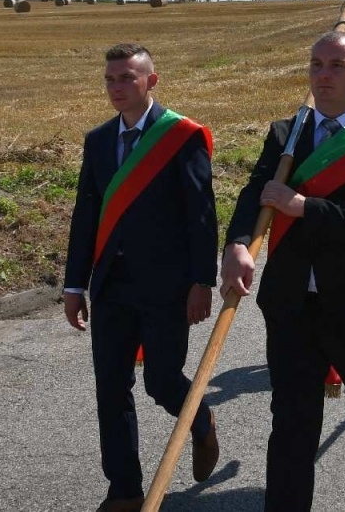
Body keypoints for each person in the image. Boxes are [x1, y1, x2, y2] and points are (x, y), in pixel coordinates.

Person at [220, 32, 345, 512]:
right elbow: (255, 193)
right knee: (291, 418)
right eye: (316, 65)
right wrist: (237, 243)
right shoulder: (286, 136)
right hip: (292, 303)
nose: (323, 75)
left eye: (336, 65)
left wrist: (306, 207)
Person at [63, 43, 220, 512]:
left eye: (127, 78)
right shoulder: (97, 141)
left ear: (151, 81)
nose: (116, 87)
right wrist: (74, 286)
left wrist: (201, 281)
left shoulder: (180, 136)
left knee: (160, 380)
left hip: (167, 287)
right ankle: (125, 490)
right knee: (110, 387)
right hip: (111, 285)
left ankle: (200, 421)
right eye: (110, 79)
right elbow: (85, 217)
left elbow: (200, 215)